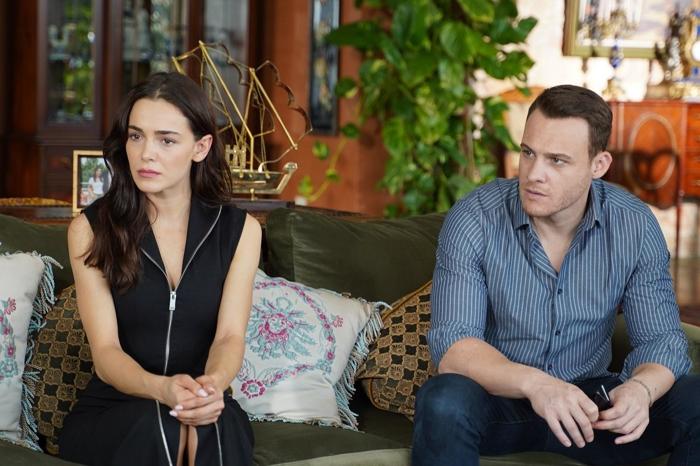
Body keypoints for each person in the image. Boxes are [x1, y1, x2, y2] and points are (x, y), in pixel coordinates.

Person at [413, 85, 700, 466]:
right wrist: (538, 385)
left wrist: (641, 390)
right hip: (503, 398)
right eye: (528, 153)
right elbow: (454, 346)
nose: (534, 174)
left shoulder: (634, 225)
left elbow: (661, 340)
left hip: (591, 408)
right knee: (443, 399)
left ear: (598, 165)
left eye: (557, 161)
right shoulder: (475, 217)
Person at [58, 72, 261, 466]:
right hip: (115, 409)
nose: (146, 153)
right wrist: (162, 389)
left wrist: (211, 388)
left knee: (213, 426)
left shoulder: (240, 232)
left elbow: (229, 336)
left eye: (166, 140)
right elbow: (106, 352)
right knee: (162, 426)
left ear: (201, 147)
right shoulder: (90, 229)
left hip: (203, 403)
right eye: (136, 136)